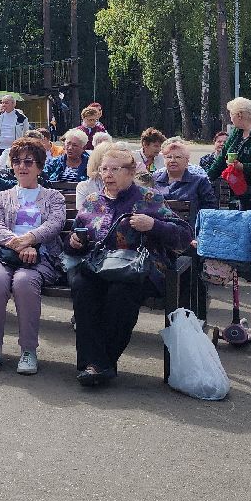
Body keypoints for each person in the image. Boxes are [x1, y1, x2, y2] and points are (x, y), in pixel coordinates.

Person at [64, 145, 193, 386]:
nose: (107, 174)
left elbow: (184, 236)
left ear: (131, 172)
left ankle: (99, 364)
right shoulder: (92, 201)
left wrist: (153, 225)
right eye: (103, 169)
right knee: (82, 285)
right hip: (99, 268)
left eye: (114, 169)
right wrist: (74, 242)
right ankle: (94, 364)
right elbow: (73, 244)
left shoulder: (148, 198)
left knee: (121, 292)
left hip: (138, 269)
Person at [0, 136, 67, 374]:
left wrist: (30, 240)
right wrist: (18, 245)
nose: (21, 167)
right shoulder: (1, 197)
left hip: (42, 256)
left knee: (24, 282)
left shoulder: (53, 197)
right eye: (16, 161)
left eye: (28, 162)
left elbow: (56, 224)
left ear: (39, 166)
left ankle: (28, 350)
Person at [152, 137, 217, 212]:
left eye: (178, 157)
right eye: (169, 157)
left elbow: (209, 208)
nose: (172, 160)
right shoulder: (154, 179)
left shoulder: (200, 182)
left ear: (187, 162)